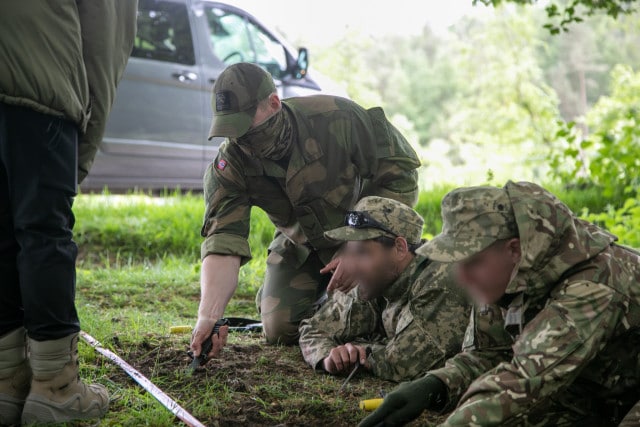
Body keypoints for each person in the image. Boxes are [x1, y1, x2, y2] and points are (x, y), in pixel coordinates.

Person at [360, 181, 640, 427]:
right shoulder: (507, 277)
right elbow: (489, 355)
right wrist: (435, 385)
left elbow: (524, 380)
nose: (462, 276)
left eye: (472, 262)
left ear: (514, 249)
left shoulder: (593, 284)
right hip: (598, 390)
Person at [191, 62, 421, 358]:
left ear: (274, 103)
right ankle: (330, 299)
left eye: (248, 129)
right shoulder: (231, 164)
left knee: (388, 307)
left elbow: (401, 174)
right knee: (278, 329)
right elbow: (223, 243)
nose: (242, 142)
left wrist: (359, 245)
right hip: (301, 243)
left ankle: (357, 299)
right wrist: (207, 317)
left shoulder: (337, 117)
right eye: (232, 132)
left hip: (366, 232)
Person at [0, 1, 136, 424]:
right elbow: (103, 43)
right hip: (40, 83)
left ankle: (6, 382)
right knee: (44, 232)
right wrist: (83, 148)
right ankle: (57, 389)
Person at [298, 196, 469, 382]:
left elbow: (403, 364)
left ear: (400, 248)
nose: (352, 266)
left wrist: (358, 350)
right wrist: (327, 356)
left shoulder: (439, 281)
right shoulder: (377, 278)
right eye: (350, 253)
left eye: (363, 252)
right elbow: (313, 328)